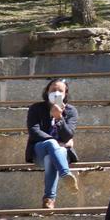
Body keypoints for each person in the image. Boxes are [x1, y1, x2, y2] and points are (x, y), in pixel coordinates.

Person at [25, 78, 80, 209]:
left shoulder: (71, 111)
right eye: (53, 90)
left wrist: (59, 118)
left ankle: (49, 199)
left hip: (61, 154)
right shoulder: (36, 108)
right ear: (47, 91)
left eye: (60, 90)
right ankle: (65, 173)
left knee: (52, 157)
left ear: (66, 93)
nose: (56, 93)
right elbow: (34, 131)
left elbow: (68, 134)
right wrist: (56, 142)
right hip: (39, 150)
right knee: (51, 144)